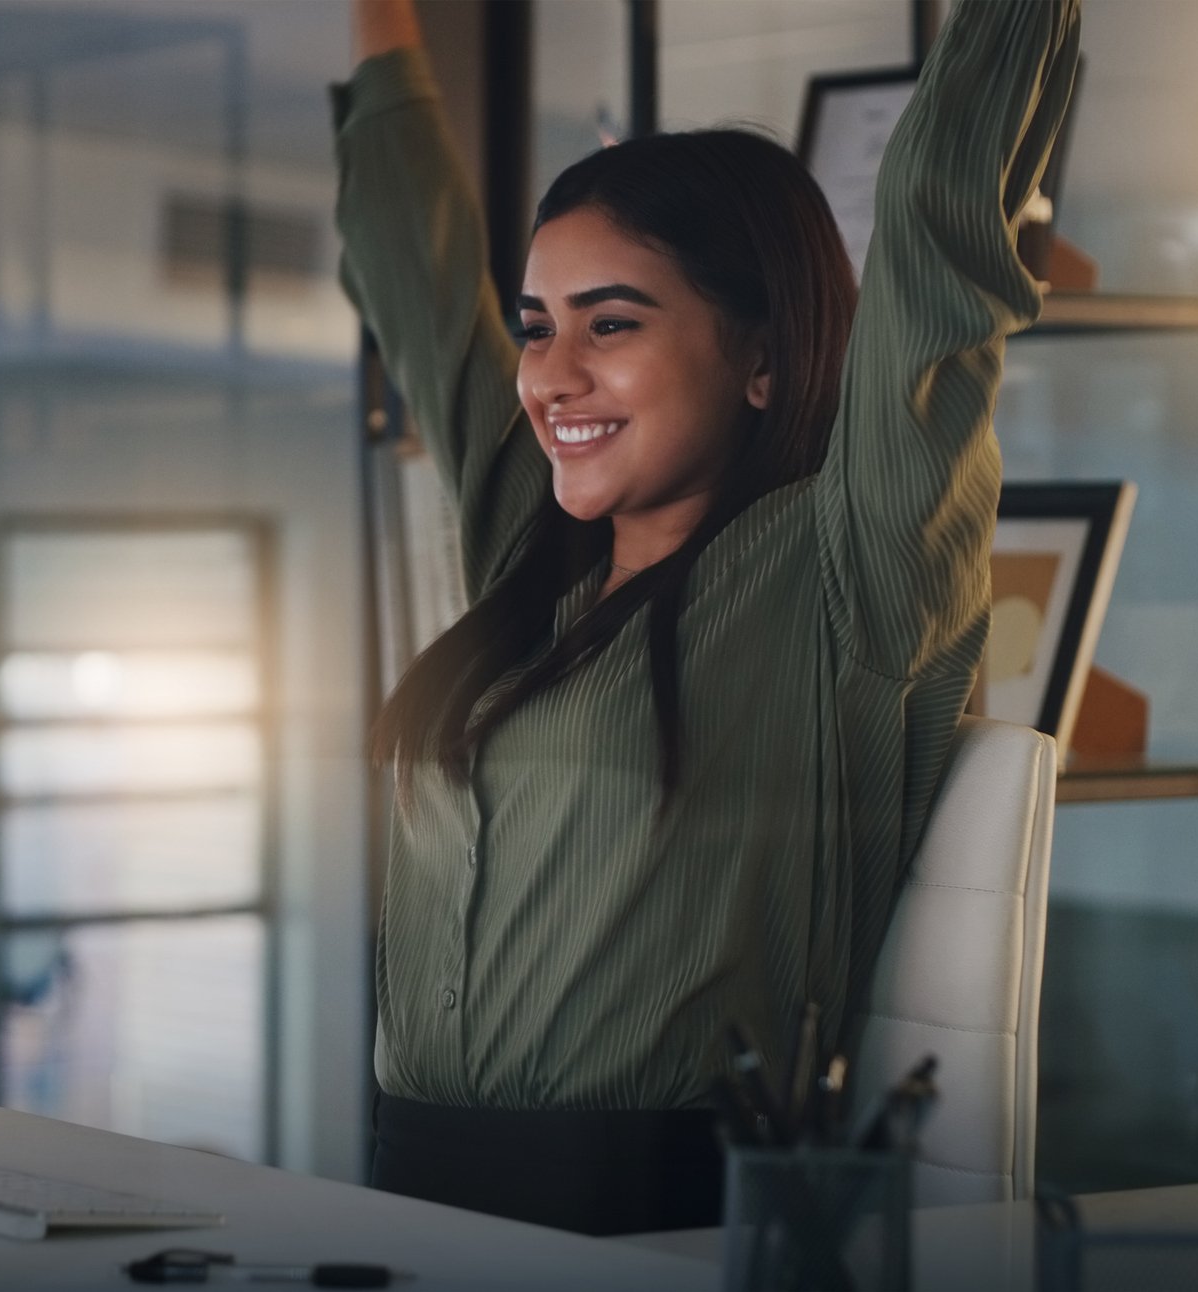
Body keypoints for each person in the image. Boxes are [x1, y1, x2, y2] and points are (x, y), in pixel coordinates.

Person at [333, 0, 1081, 1236]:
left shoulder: (845, 573)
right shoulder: (538, 561)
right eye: (539, 325)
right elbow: (419, 290)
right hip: (412, 1219)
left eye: (611, 322)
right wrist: (383, 25)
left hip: (654, 1241)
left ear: (766, 359)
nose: (552, 372)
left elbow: (943, 239)